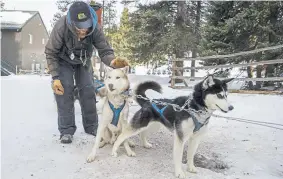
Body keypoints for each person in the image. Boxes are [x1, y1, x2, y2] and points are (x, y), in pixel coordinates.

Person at [45, 1, 128, 144]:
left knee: (88, 90)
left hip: (83, 60)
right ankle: (66, 130)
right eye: (80, 28)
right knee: (64, 91)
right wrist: (56, 77)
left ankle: (92, 127)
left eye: (86, 27)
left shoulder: (95, 28)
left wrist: (113, 62)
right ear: (72, 23)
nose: (83, 31)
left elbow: (105, 50)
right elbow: (51, 52)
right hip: (63, 60)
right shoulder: (61, 26)